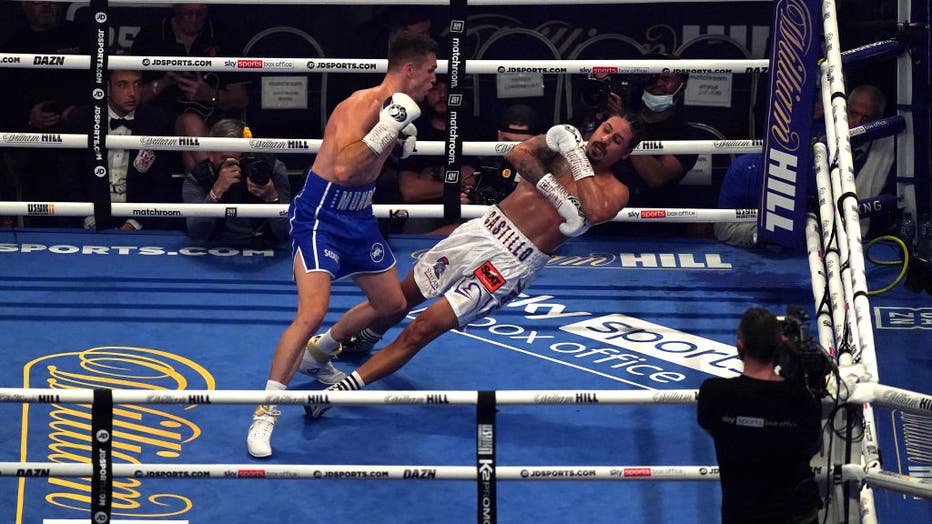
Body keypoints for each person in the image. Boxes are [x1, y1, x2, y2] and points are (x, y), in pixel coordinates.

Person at [301, 114, 642, 419]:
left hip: (510, 264)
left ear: (624, 154)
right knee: (399, 298)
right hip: (483, 230)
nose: (604, 140)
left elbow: (596, 211)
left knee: (423, 328)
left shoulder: (616, 190)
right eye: (605, 130)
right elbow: (517, 154)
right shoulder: (562, 144)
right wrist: (558, 190)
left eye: (616, 141)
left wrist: (578, 161)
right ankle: (328, 346)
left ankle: (340, 391)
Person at [245, 31, 439, 458]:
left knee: (392, 305)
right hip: (321, 215)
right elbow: (346, 167)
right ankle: (265, 413)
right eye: (429, 71)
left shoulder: (396, 112)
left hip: (358, 217)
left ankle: (320, 354)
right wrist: (387, 129)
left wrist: (395, 138)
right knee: (312, 310)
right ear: (409, 70)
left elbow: (367, 171)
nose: (433, 81)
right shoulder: (363, 106)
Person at [697, 307, 823, 524]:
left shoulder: (714, 393)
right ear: (780, 344)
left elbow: (712, 428)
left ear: (739, 346)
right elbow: (811, 445)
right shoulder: (799, 398)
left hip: (740, 516)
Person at [130, 3, 249, 172]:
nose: (193, 19)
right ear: (175, 9)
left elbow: (240, 99)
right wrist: (163, 83)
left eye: (199, 14)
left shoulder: (224, 36)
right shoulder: (151, 35)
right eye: (187, 13)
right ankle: (217, 186)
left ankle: (210, 189)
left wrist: (208, 94)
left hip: (213, 124)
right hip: (160, 124)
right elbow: (127, 96)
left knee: (190, 133)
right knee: (188, 122)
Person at [0, 1, 87, 222]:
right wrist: (28, 117)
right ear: (24, 4)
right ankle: (38, 230)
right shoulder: (12, 42)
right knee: (35, 166)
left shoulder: (79, 34)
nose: (47, 5)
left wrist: (78, 112)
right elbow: (5, 96)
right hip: (29, 135)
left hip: (79, 128)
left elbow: (97, 83)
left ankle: (88, 225)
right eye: (39, 0)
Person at [60, 69, 178, 231]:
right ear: (107, 88)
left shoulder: (157, 120)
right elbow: (69, 178)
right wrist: (89, 219)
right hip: (88, 215)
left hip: (141, 219)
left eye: (137, 84)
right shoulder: (82, 118)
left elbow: (161, 182)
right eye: (122, 85)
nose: (132, 93)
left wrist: (134, 223)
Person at [182, 119, 291, 247]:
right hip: (216, 245)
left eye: (240, 158)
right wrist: (215, 193)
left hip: (266, 243)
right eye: (226, 159)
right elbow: (197, 234)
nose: (235, 165)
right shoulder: (198, 177)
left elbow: (286, 234)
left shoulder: (271, 168)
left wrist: (272, 199)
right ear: (210, 154)